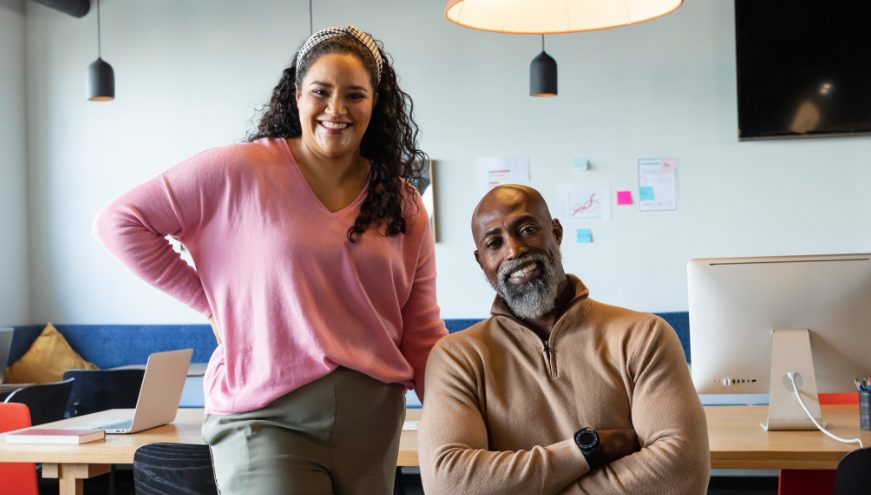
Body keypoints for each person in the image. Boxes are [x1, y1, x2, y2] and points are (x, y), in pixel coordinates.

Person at [93, 25, 446, 495]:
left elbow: (421, 331)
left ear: (376, 104)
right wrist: (209, 303)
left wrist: (460, 416)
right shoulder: (237, 171)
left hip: (374, 423)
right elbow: (120, 223)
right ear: (297, 94)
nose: (336, 109)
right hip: (264, 417)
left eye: (355, 95)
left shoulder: (402, 202)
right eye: (321, 91)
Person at [419, 185, 710, 494]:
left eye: (527, 229)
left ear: (555, 232)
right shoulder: (457, 357)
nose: (514, 250)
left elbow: (682, 471)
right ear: (481, 262)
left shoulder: (644, 336)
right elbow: (449, 484)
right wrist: (586, 450)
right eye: (494, 243)